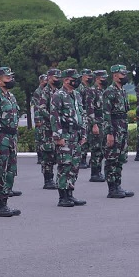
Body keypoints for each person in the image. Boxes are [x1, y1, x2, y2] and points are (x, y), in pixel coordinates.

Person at [0, 67, 21, 217]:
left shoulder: (11, 96)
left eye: (11, 77)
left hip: (11, 139)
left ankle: (5, 202)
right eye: (7, 78)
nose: (11, 80)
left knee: (10, 172)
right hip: (1, 139)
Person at [51, 69, 87, 207]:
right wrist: (58, 136)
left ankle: (70, 193)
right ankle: (62, 197)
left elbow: (81, 114)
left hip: (76, 135)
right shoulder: (58, 95)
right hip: (65, 135)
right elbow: (54, 117)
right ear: (66, 80)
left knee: (74, 166)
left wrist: (83, 133)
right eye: (74, 79)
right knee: (64, 165)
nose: (77, 81)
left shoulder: (76, 95)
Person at [103, 65, 135, 197]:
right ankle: (112, 188)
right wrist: (109, 133)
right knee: (112, 159)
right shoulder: (109, 91)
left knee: (120, 158)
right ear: (115, 75)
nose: (124, 76)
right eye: (122, 74)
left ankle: (118, 185)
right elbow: (106, 114)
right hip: (114, 128)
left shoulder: (122, 90)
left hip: (122, 127)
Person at [34, 69, 60, 189]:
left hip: (57, 127)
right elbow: (41, 108)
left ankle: (55, 178)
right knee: (47, 154)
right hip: (47, 127)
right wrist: (52, 117)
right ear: (49, 78)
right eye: (55, 77)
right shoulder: (45, 92)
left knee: (56, 153)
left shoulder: (58, 91)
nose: (58, 79)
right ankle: (48, 179)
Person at [84, 70, 106, 183]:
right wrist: (94, 125)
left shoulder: (102, 91)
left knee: (101, 149)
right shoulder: (91, 91)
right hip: (96, 123)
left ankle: (98, 171)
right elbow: (90, 109)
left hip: (102, 122)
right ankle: (94, 173)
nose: (105, 79)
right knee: (96, 149)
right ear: (97, 78)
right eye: (103, 77)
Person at [77, 69, 93, 169]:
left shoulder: (88, 88)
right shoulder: (80, 88)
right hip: (83, 116)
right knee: (83, 137)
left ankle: (85, 158)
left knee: (89, 138)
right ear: (82, 76)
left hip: (89, 115)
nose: (90, 77)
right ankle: (81, 159)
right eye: (88, 76)